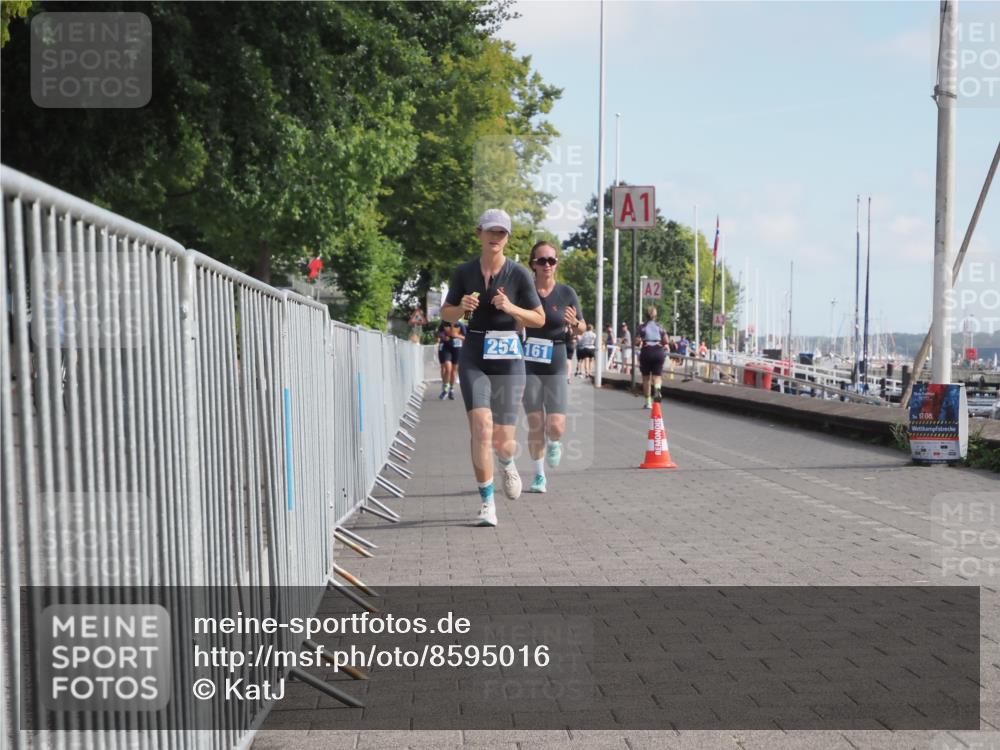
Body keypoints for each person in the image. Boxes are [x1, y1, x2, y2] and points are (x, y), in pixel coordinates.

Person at [440, 209, 544, 528]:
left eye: (502, 233)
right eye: (491, 231)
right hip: (474, 354)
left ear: (507, 238)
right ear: (479, 234)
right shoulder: (464, 273)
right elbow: (446, 314)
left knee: (502, 440)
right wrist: (461, 309)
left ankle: (507, 462)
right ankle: (487, 501)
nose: (496, 237)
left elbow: (539, 318)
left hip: (509, 356)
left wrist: (511, 307)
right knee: (481, 428)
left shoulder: (519, 275)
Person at [520, 241, 585, 494]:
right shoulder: (525, 293)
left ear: (556, 264)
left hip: (557, 355)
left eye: (551, 260)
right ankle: (538, 476)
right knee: (535, 421)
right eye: (541, 260)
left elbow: (582, 327)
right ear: (533, 264)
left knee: (555, 425)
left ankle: (555, 442)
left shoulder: (567, 293)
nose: (547, 265)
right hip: (530, 359)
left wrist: (575, 323)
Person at [638, 306, 668, 409]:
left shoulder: (642, 327)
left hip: (646, 351)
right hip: (658, 351)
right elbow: (666, 341)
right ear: (655, 315)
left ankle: (648, 402)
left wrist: (641, 340)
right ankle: (657, 396)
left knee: (646, 378)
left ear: (645, 315)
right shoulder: (660, 326)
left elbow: (636, 341)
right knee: (657, 377)